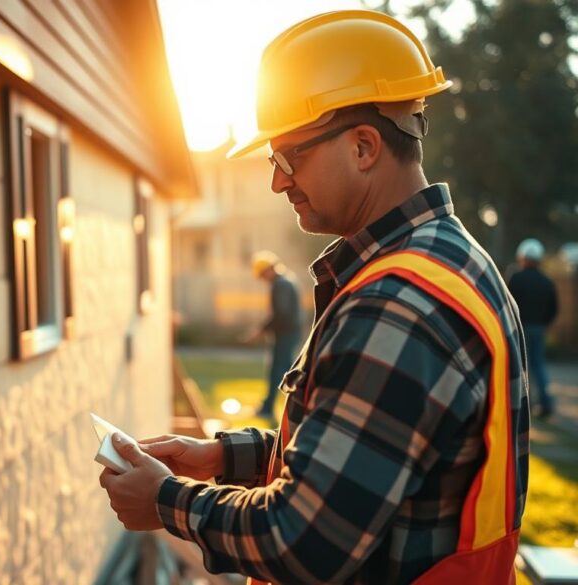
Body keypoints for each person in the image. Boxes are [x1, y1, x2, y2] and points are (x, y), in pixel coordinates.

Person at [99, 10, 529, 584]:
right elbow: (373, 447)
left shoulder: (397, 303)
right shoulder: (448, 261)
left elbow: (306, 541)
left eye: (289, 156)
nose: (277, 180)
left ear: (364, 147)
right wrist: (227, 457)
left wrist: (165, 500)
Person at [244, 251, 302, 422]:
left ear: (269, 270)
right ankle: (268, 406)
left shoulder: (281, 284)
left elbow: (280, 314)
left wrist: (260, 330)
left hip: (285, 334)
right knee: (281, 369)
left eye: (262, 275)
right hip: (289, 332)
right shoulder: (287, 281)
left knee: (278, 370)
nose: (263, 279)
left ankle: (268, 409)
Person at [508, 238, 559, 418]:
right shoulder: (547, 281)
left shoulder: (516, 278)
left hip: (519, 328)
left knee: (520, 365)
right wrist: (543, 323)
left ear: (522, 256)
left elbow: (508, 304)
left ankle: (522, 405)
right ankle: (546, 403)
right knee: (538, 365)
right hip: (539, 328)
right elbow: (554, 309)